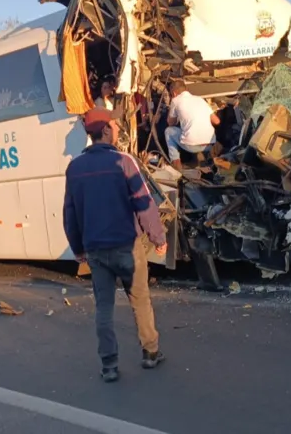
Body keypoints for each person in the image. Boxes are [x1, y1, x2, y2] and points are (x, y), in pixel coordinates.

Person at [63, 107, 168, 383]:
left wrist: (78, 250)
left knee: (104, 308)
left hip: (96, 251)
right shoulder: (124, 162)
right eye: (115, 124)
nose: (119, 129)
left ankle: (109, 365)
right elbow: (144, 203)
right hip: (127, 248)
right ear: (106, 130)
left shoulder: (74, 168)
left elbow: (70, 214)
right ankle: (150, 352)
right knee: (140, 300)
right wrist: (159, 238)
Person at [164, 79, 219, 170]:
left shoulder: (175, 100)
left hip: (192, 146)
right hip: (209, 145)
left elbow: (170, 123)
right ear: (186, 89)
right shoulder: (200, 99)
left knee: (168, 131)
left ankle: (176, 164)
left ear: (173, 93)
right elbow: (217, 121)